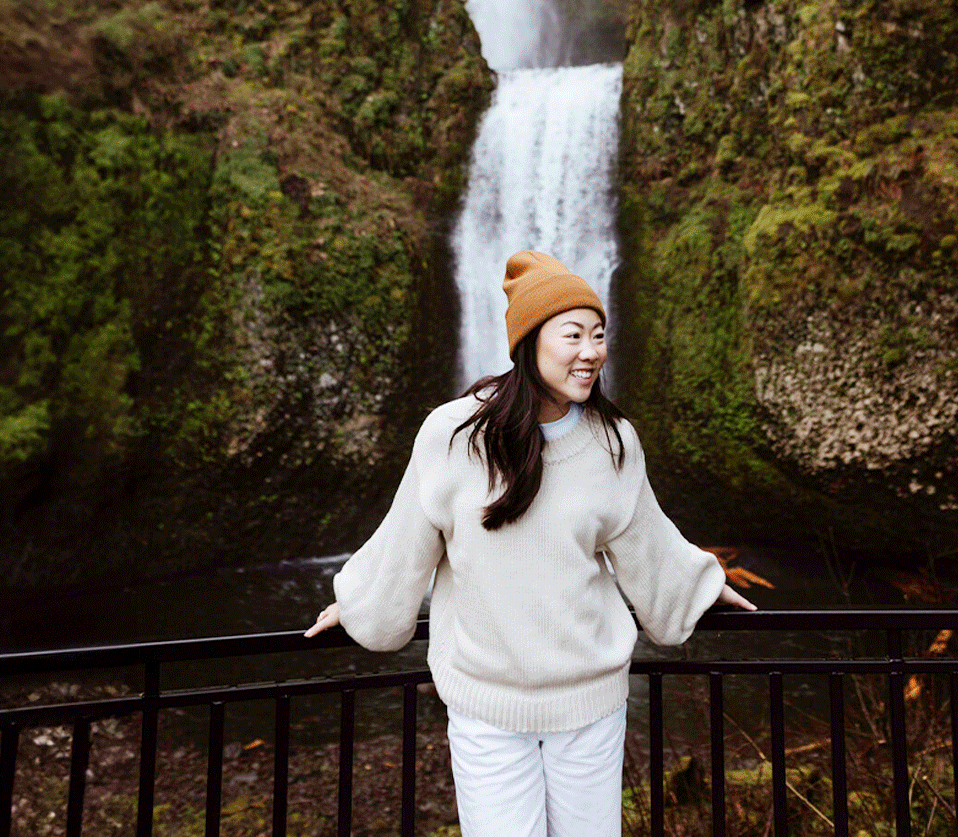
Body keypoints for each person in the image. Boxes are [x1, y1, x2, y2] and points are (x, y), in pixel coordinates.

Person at [305, 249, 756, 837]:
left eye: (599, 335)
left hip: (590, 707)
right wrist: (360, 603)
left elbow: (648, 541)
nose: (591, 351)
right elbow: (404, 540)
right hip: (486, 710)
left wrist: (702, 587)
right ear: (529, 342)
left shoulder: (614, 441)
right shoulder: (453, 435)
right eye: (573, 335)